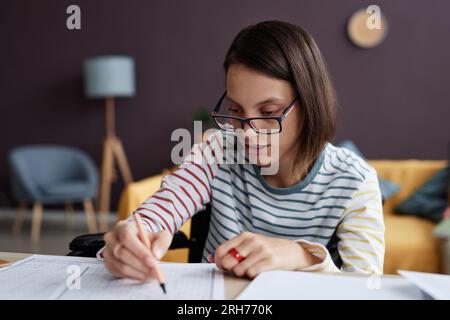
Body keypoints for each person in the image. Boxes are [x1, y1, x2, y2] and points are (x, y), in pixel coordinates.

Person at [100, 20, 385, 281]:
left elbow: (367, 287)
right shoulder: (218, 149)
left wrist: (302, 256)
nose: (247, 132)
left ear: (310, 103)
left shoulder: (354, 181)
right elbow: (159, 212)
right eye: (236, 110)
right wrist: (127, 242)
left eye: (269, 112)